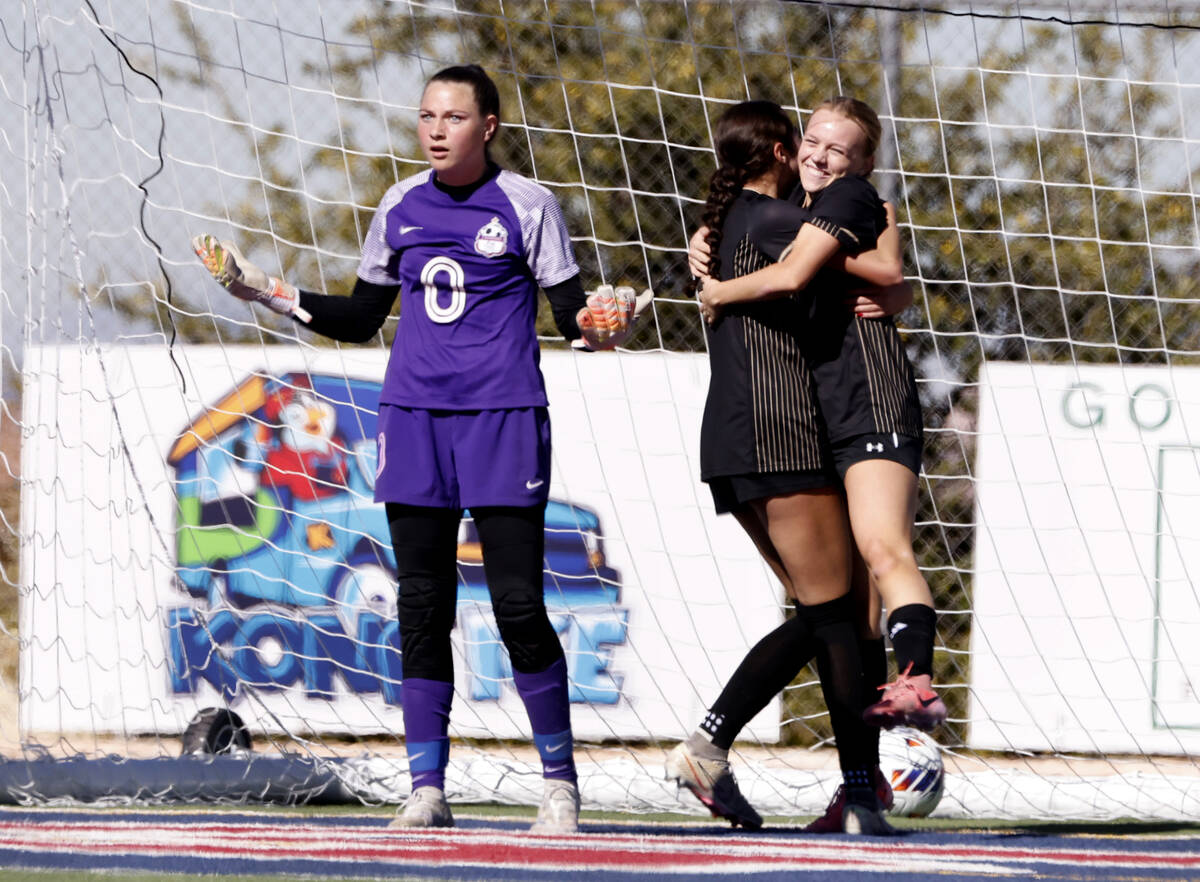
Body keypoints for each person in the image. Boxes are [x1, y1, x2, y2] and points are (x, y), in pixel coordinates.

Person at [192, 64, 651, 835]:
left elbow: (576, 319)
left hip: (502, 419)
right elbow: (364, 316)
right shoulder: (400, 204)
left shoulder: (529, 206)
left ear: (489, 126)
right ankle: (426, 787)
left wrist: (607, 327)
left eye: (454, 117)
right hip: (413, 420)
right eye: (426, 116)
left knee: (516, 603)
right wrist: (264, 291)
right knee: (421, 603)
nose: (436, 130)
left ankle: (559, 785)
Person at [687, 96, 947, 827]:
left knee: (858, 581)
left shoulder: (853, 202)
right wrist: (705, 243)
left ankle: (902, 703)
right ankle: (850, 787)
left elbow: (887, 268)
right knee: (834, 611)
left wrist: (715, 285)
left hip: (867, 407)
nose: (822, 153)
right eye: (813, 139)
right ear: (788, 147)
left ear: (862, 163)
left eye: (841, 146)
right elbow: (784, 255)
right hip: (801, 430)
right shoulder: (774, 217)